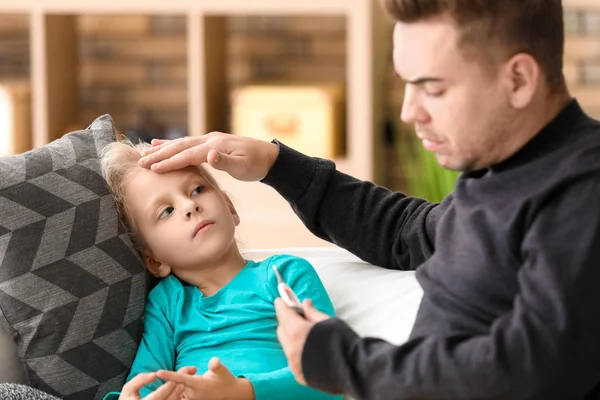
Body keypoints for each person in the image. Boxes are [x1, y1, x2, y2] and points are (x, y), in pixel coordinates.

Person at [136, 0, 600, 398]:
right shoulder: (505, 172)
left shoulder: (581, 193)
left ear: (518, 79)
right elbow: (406, 234)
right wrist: (276, 164)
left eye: (432, 88)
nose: (409, 111)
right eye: (406, 83)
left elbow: (535, 371)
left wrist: (344, 361)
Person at [100, 139, 342, 400]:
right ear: (155, 262)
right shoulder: (167, 303)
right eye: (166, 211)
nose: (190, 206)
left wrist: (242, 392)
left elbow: (331, 374)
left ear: (230, 207)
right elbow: (146, 383)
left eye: (197, 190)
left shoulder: (284, 275)